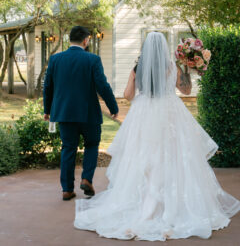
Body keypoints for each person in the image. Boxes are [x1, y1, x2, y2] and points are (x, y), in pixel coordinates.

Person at [74, 32, 240, 241]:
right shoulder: (173, 67)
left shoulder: (137, 68)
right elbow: (187, 91)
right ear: (163, 48)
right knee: (173, 156)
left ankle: (145, 204)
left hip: (144, 114)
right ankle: (171, 206)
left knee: (145, 158)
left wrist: (136, 83)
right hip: (170, 114)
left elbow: (127, 95)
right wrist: (189, 69)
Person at [43, 26, 118, 201]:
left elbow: (48, 87)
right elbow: (103, 86)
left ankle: (67, 189)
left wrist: (48, 110)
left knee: (68, 148)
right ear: (85, 40)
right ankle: (86, 179)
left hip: (64, 113)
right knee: (92, 145)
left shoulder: (55, 59)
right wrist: (113, 107)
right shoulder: (93, 59)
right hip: (88, 113)